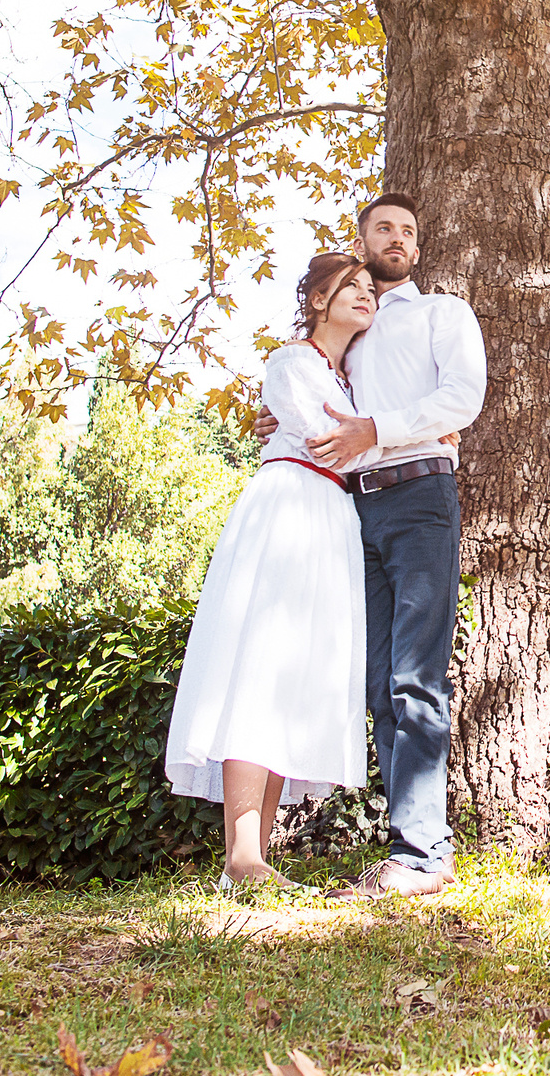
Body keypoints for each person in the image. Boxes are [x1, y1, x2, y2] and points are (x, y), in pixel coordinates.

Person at [256, 192, 486, 899]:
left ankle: (424, 856)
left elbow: (464, 398)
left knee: (415, 675)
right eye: (383, 227)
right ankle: (406, 849)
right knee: (378, 681)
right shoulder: (346, 335)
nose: (396, 238)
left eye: (408, 231)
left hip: (419, 500)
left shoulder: (440, 314)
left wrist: (377, 429)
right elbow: (312, 417)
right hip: (352, 510)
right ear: (361, 242)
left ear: (416, 250)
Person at [163, 253, 379, 891]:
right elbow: (324, 441)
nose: (366, 295)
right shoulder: (292, 362)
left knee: (296, 675)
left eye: (372, 289)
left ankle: (257, 856)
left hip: (333, 519)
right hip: (290, 504)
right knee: (260, 662)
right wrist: (404, 438)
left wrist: (378, 430)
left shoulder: (352, 381)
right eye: (352, 287)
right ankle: (241, 853)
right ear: (317, 300)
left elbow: (350, 441)